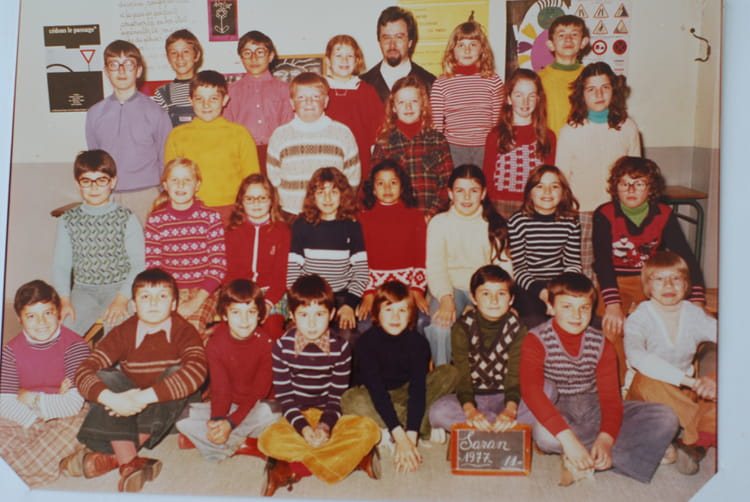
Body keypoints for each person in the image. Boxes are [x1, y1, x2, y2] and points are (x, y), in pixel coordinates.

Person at [520, 272, 678, 484]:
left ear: (592, 308)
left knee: (666, 417)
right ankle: (635, 452)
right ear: (550, 307)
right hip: (559, 410)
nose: (576, 315)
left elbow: (611, 400)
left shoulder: (601, 344)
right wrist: (568, 439)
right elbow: (532, 392)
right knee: (544, 436)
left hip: (594, 409)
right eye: (567, 307)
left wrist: (605, 439)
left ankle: (590, 457)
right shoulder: (535, 339)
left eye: (584, 307)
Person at [62, 268, 208, 493]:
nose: (153, 303)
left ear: (173, 304)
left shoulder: (184, 330)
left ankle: (113, 456)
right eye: (145, 297)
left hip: (172, 411)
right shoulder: (124, 331)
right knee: (105, 376)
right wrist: (113, 399)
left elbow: (197, 370)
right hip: (129, 408)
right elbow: (84, 370)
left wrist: (142, 398)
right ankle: (129, 464)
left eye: (162, 296)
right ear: (134, 305)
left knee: (178, 372)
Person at [257, 275, 380, 495]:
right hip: (295, 417)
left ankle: (294, 468)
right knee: (267, 439)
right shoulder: (281, 347)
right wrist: (304, 428)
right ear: (292, 315)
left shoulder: (341, 348)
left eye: (320, 314)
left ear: (331, 314)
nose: (312, 323)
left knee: (369, 429)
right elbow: (285, 398)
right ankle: (351, 462)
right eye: (304, 315)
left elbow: (336, 397)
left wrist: (324, 427)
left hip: (330, 416)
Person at [593, 157, 705, 380]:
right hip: (615, 280)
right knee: (612, 326)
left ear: (650, 188)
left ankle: (664, 376)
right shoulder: (604, 214)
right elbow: (602, 262)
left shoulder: (663, 214)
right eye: (624, 183)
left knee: (671, 323)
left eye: (639, 184)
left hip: (652, 280)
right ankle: (621, 383)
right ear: (616, 187)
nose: (630, 190)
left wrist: (697, 300)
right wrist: (613, 305)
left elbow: (687, 258)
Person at [342, 281, 458, 472]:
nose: (395, 317)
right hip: (375, 396)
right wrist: (401, 438)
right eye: (388, 310)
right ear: (377, 313)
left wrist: (410, 438)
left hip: (406, 392)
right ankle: (422, 425)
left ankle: (393, 429)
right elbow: (377, 392)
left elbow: (417, 391)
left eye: (402, 310)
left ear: (411, 314)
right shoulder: (366, 342)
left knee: (449, 372)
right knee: (351, 400)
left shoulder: (418, 343)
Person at [624, 251, 716, 475]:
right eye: (659, 279)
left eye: (676, 278)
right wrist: (692, 382)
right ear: (648, 285)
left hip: (685, 392)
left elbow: (737, 341)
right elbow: (638, 357)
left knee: (727, 388)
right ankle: (699, 437)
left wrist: (715, 379)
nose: (668, 285)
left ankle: (690, 445)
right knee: (647, 379)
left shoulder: (694, 314)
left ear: (686, 284)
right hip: (645, 395)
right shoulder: (639, 317)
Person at [176, 279, 281, 462]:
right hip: (229, 405)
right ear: (224, 315)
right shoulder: (215, 344)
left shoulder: (267, 343)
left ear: (259, 315)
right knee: (183, 417)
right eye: (236, 313)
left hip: (255, 406)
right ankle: (244, 444)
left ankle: (218, 445)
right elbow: (220, 390)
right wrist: (218, 420)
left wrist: (230, 424)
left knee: (274, 411)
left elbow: (258, 393)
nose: (244, 320)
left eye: (251, 312)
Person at [556, 61, 641, 281]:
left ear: (614, 90)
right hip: (582, 212)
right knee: (584, 270)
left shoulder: (628, 127)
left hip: (618, 211)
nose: (599, 94)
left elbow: (636, 174)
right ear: (581, 94)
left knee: (613, 268)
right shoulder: (570, 131)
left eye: (605, 87)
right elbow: (561, 178)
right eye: (591, 89)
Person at [0, 280, 90, 487]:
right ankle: (65, 460)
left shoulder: (76, 346)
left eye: (47, 313)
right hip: (26, 414)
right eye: (31, 316)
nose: (41, 322)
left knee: (75, 425)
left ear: (58, 313)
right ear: (19, 318)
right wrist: (35, 420)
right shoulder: (10, 351)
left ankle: (17, 474)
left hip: (68, 416)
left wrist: (32, 398)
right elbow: (5, 403)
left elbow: (72, 405)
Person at [429, 266, 532, 438]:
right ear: (473, 298)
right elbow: (462, 376)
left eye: (501, 294)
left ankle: (486, 428)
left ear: (511, 299)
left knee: (549, 390)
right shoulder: (462, 328)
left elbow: (515, 375)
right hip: (472, 397)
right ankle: (500, 429)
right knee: (438, 411)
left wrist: (510, 410)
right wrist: (470, 410)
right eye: (485, 293)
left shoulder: (518, 329)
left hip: (506, 397)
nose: (494, 300)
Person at [425, 164, 512, 365]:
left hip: (485, 287)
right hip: (450, 287)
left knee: (494, 324)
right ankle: (443, 375)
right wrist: (446, 298)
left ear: (483, 193)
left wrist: (495, 296)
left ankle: (486, 376)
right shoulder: (439, 223)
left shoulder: (494, 224)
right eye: (459, 191)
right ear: (450, 193)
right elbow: (436, 267)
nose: (466, 197)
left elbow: (503, 269)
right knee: (440, 327)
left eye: (473, 191)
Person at [52, 150, 145, 337]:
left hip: (120, 288)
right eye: (86, 181)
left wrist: (121, 299)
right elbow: (61, 265)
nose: (94, 188)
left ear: (113, 182)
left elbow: (139, 264)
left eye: (101, 180)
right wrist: (65, 300)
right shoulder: (68, 220)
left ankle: (110, 358)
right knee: (62, 331)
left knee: (117, 332)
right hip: (83, 291)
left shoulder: (126, 218)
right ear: (77, 184)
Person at [85, 39, 172, 224]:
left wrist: (161, 195)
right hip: (108, 196)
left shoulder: (156, 112)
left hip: (147, 195)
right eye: (114, 65)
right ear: (106, 71)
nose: (122, 70)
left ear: (138, 70)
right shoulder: (95, 113)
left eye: (128, 64)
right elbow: (94, 160)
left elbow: (165, 159)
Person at [144, 158, 227, 339]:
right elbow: (153, 267)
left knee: (190, 332)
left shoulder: (210, 218)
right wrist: (170, 299)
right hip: (168, 290)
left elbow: (218, 267)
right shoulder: (156, 220)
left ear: (197, 185)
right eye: (174, 180)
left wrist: (194, 303)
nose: (180, 185)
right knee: (160, 333)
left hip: (204, 291)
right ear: (165, 185)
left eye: (187, 180)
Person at [164, 70, 260, 224]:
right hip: (191, 209)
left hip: (232, 210)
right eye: (199, 99)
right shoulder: (177, 136)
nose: (206, 104)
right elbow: (171, 180)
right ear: (190, 100)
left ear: (225, 100)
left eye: (213, 98)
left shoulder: (240, 134)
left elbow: (252, 180)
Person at [286, 167, 368, 339]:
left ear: (343, 195)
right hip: (310, 298)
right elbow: (293, 270)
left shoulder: (352, 225)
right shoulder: (302, 224)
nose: (328, 198)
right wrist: (297, 303)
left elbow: (360, 271)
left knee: (348, 336)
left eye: (334, 192)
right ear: (312, 196)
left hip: (341, 298)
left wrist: (350, 305)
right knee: (300, 337)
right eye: (321, 192)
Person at [266, 72, 360, 217]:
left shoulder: (342, 133)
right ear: (292, 103)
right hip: (292, 213)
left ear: (326, 101)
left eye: (316, 97)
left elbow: (352, 178)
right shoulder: (280, 135)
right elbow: (274, 178)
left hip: (331, 214)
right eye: (301, 98)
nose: (309, 102)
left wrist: (341, 207)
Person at [356, 160, 429, 333]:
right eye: (381, 183)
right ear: (373, 189)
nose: (387, 188)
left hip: (408, 289)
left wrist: (417, 290)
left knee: (421, 321)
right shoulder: (363, 219)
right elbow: (361, 260)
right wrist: (368, 293)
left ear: (402, 187)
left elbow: (421, 257)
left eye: (393, 182)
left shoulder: (415, 217)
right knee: (366, 325)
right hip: (376, 291)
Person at [508, 165, 581, 328]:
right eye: (540, 186)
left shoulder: (570, 222)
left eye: (554, 186)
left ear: (563, 192)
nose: (547, 192)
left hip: (560, 285)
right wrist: (543, 293)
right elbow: (519, 269)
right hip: (528, 285)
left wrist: (561, 293)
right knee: (536, 321)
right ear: (530, 192)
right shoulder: (518, 222)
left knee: (570, 316)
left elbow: (573, 264)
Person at [371, 75, 453, 219]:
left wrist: (431, 215)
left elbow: (447, 184)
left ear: (423, 104)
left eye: (414, 101)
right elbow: (376, 185)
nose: (408, 107)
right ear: (394, 107)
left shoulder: (437, 141)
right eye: (402, 102)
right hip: (396, 219)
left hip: (432, 219)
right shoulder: (384, 143)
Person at [224, 174, 291, 339]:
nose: (256, 203)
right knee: (235, 330)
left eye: (262, 198)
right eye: (250, 199)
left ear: (272, 200)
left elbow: (281, 275)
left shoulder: (282, 232)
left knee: (272, 329)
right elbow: (228, 272)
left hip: (271, 293)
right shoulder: (233, 231)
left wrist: (267, 304)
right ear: (241, 202)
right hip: (239, 292)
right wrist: (239, 299)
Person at [483, 68, 556, 218]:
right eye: (519, 95)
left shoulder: (548, 136)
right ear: (509, 99)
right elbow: (487, 178)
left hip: (534, 205)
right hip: (500, 206)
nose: (525, 101)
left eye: (531, 96)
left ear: (538, 99)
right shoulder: (495, 135)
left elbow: (548, 179)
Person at [430, 20, 504, 167]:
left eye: (473, 45)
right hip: (453, 148)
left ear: (482, 49)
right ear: (452, 50)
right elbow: (437, 126)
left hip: (485, 147)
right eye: (461, 45)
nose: (467, 50)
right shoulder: (441, 83)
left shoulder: (493, 80)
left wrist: (495, 146)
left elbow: (498, 122)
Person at [223, 30, 293, 170]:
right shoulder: (230, 91)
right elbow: (227, 130)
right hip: (243, 155)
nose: (253, 58)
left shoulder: (286, 90)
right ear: (241, 58)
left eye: (260, 52)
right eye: (247, 53)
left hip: (277, 153)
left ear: (271, 56)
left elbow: (289, 126)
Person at [324, 34, 385, 186]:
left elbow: (379, 131)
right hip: (326, 159)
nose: (344, 60)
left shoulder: (367, 92)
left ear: (357, 60)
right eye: (338, 55)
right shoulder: (319, 90)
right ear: (328, 60)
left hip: (360, 162)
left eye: (349, 56)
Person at [360, 6, 435, 103]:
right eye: (386, 38)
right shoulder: (362, 84)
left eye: (399, 37)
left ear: (410, 42)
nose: (392, 45)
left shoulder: (430, 84)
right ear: (379, 41)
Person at [536, 14, 590, 135]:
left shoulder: (590, 78)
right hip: (549, 143)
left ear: (583, 42)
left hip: (582, 142)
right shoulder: (538, 79)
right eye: (561, 35)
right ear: (551, 44)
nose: (568, 39)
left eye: (574, 34)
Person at [152, 29, 203, 127]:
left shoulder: (208, 88)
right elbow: (158, 128)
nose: (180, 57)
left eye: (186, 51)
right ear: (168, 58)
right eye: (174, 53)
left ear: (196, 55)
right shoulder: (162, 94)